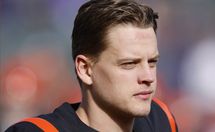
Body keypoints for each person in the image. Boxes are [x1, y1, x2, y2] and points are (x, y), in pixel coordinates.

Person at [6, 0, 177, 131]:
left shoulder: (160, 119)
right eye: (129, 64)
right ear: (85, 69)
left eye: (152, 62)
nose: (148, 77)